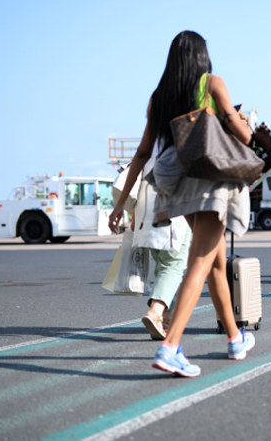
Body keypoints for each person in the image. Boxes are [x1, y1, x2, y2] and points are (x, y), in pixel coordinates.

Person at [108, 31, 255, 378]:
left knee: (216, 262)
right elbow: (243, 136)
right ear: (202, 56)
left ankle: (235, 338)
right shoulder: (212, 84)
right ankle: (170, 347)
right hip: (209, 180)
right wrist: (245, 123)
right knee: (201, 262)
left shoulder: (159, 97)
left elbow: (143, 153)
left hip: (176, 183)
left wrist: (122, 205)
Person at [131, 160, 191, 340]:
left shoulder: (151, 145)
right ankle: (155, 312)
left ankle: (166, 319)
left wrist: (129, 210)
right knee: (174, 264)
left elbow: (136, 170)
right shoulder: (183, 140)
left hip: (146, 211)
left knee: (163, 266)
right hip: (173, 210)